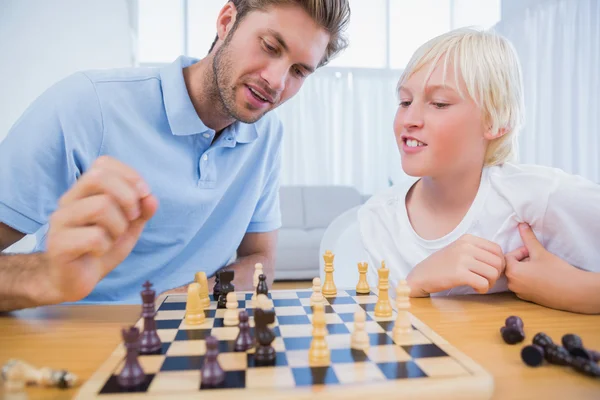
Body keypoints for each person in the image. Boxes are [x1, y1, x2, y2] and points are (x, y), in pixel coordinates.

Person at [0, 0, 350, 311]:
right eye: (270, 46)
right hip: (74, 342)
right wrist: (48, 275)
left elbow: (260, 261)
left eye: (299, 71)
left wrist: (193, 296)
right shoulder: (86, 105)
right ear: (227, 21)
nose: (276, 81)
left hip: (186, 339)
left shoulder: (267, 135)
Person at [358, 27, 600, 314]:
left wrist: (576, 289)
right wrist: (414, 284)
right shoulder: (377, 219)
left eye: (439, 103)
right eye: (405, 101)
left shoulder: (541, 195)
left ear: (496, 121)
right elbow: (371, 332)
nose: (409, 119)